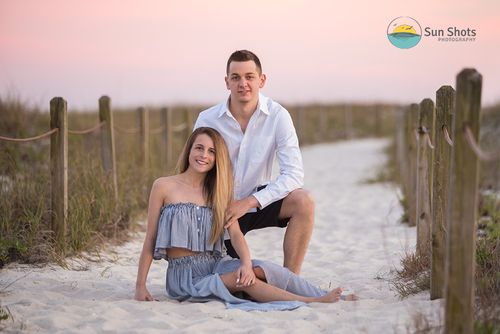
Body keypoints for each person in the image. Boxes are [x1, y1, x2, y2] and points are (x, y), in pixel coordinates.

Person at [135, 127, 354, 310]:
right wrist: (140, 286)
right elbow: (150, 238)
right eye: (199, 148)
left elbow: (237, 235)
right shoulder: (163, 186)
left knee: (266, 269)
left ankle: (324, 294)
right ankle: (313, 301)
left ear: (216, 159)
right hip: (186, 276)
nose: (204, 155)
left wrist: (247, 264)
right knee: (244, 280)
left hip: (216, 264)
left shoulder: (218, 193)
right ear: (189, 150)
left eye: (211, 152)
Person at [193, 50, 313, 275]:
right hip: (219, 209)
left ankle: (291, 279)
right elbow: (195, 172)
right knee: (232, 279)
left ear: (262, 80)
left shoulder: (278, 116)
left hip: (256, 202)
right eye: (236, 77)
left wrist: (249, 202)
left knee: (303, 201)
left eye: (249, 76)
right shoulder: (207, 119)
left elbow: (294, 174)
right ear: (227, 82)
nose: (243, 83)